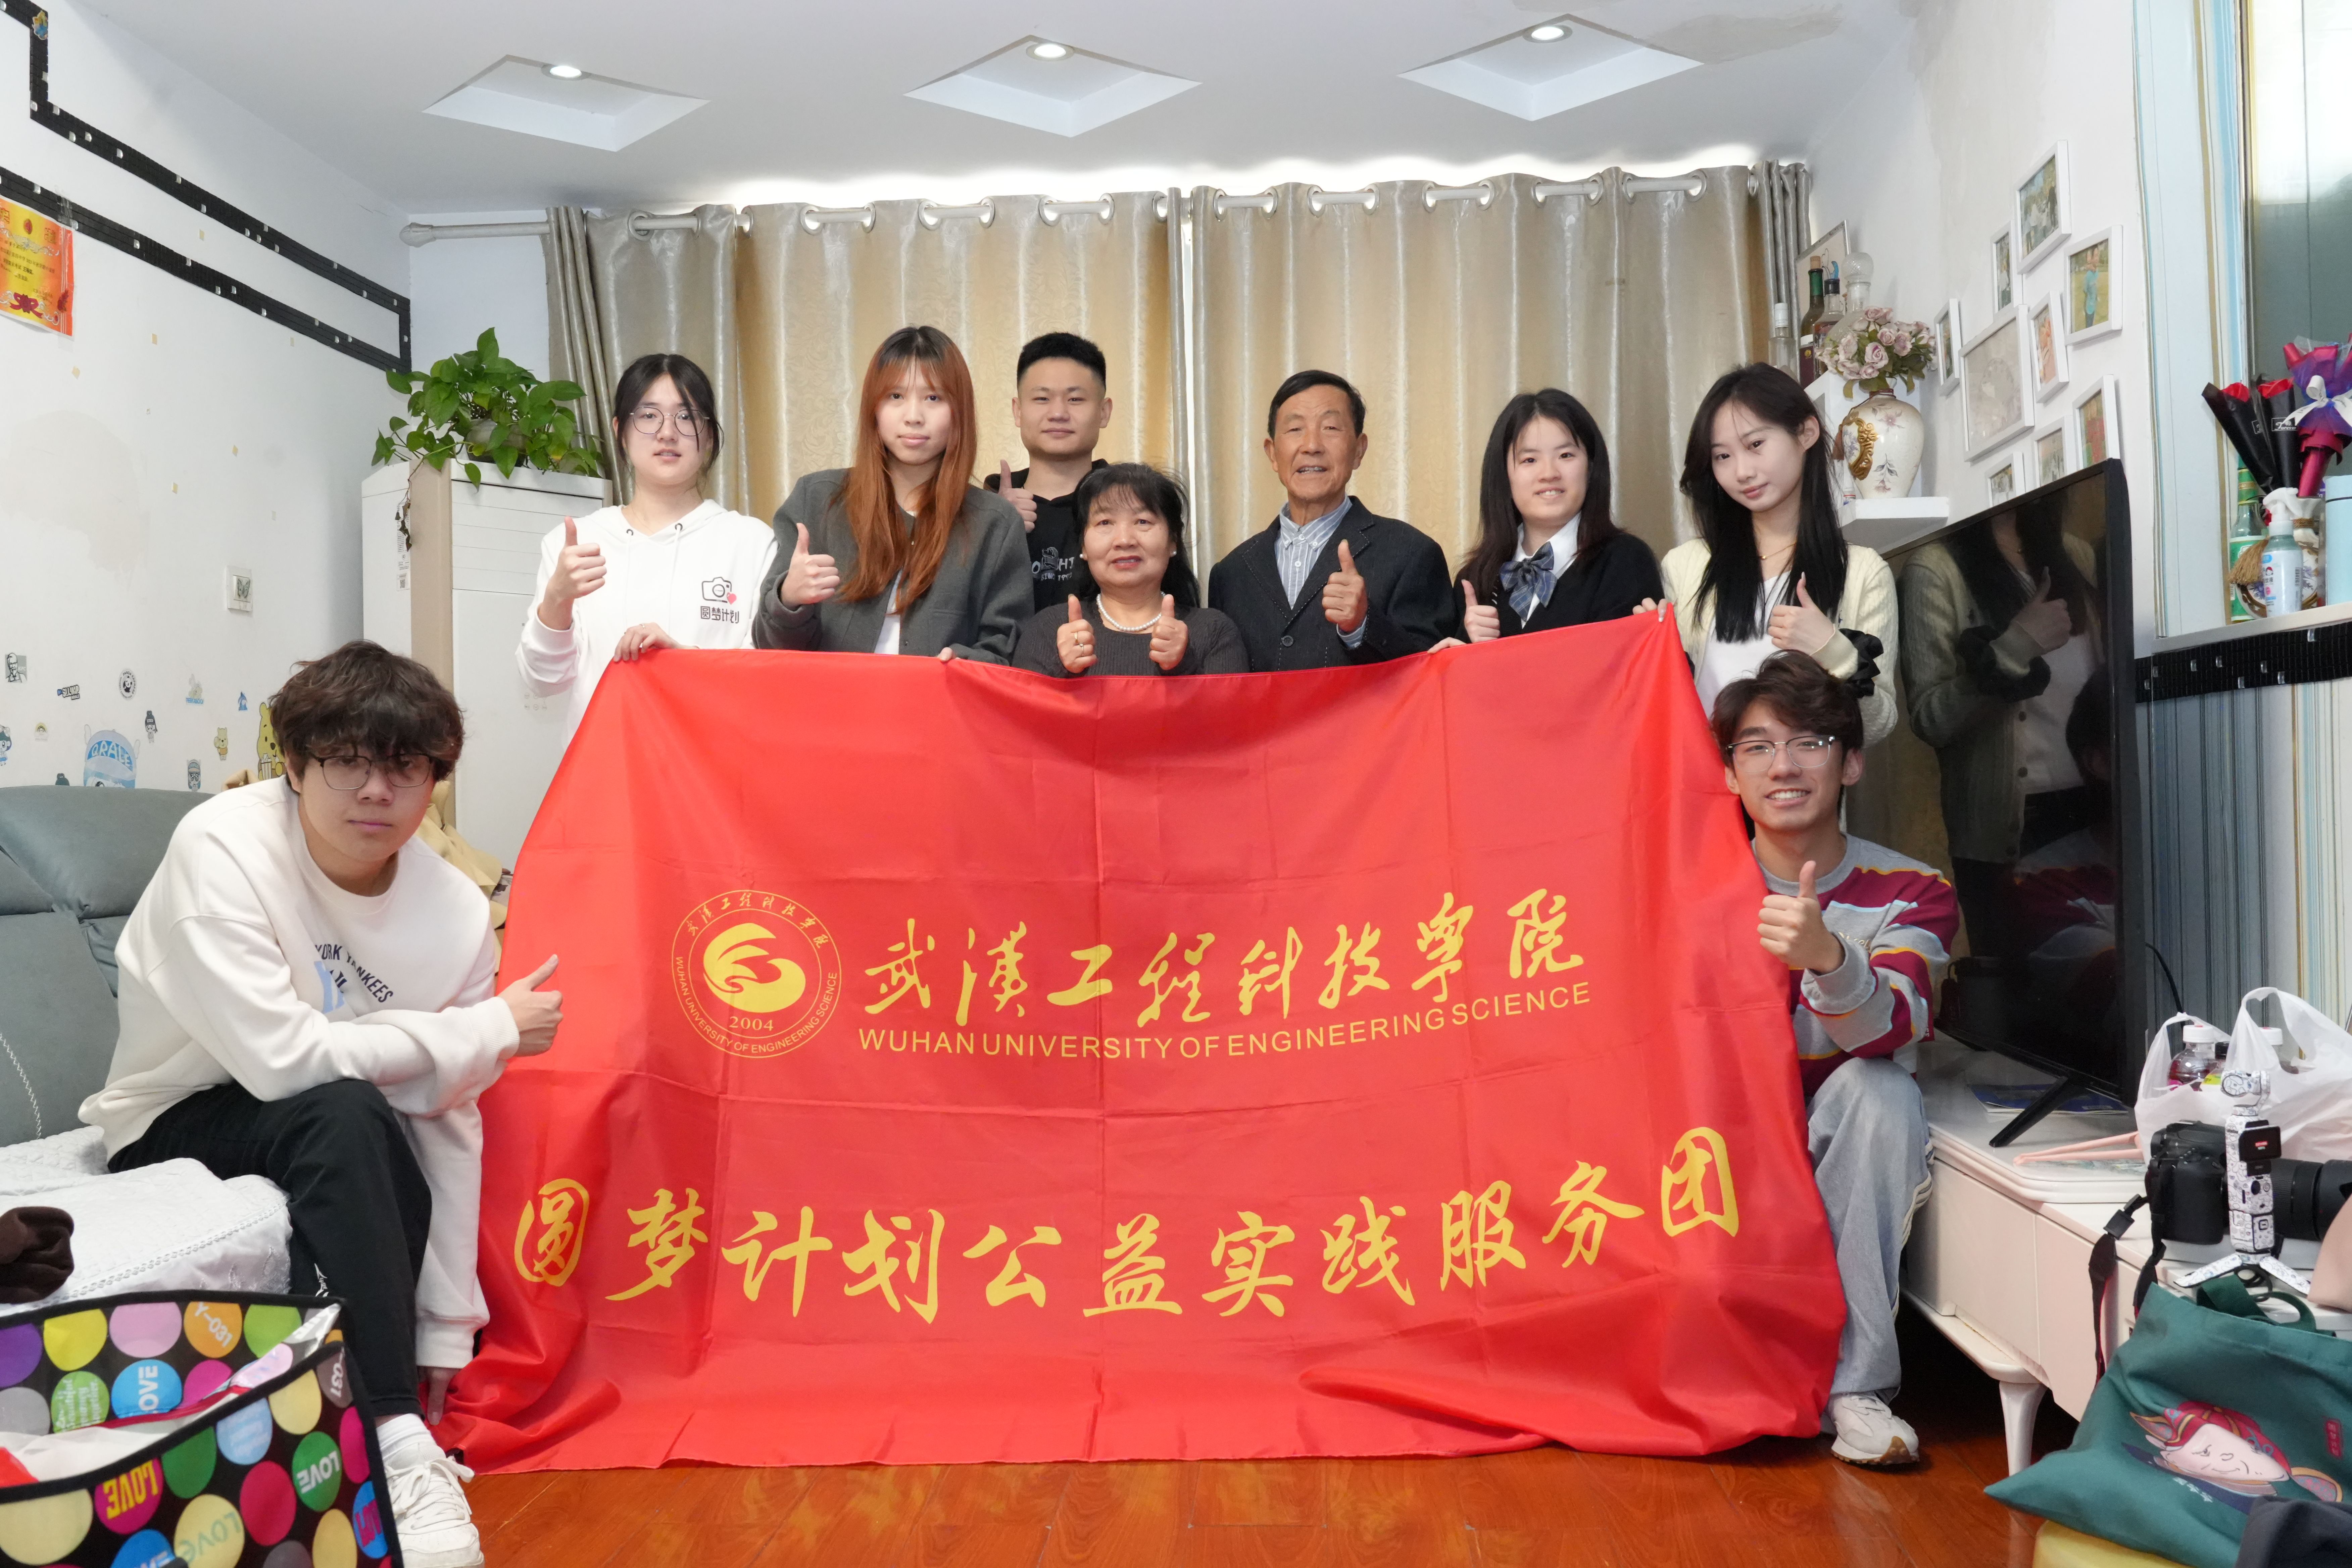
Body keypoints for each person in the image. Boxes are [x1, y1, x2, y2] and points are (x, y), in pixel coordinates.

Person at [81, 641, 564, 1568]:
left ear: (435, 782)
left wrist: (446, 1324)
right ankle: (394, 1443)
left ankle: (386, 1430)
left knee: (362, 1115)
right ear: (295, 767)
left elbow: (446, 1109)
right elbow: (283, 1063)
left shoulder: (457, 913)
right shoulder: (223, 847)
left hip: (340, 1119)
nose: (375, 790)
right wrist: (484, 1030)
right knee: (342, 1106)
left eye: (405, 766)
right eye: (345, 760)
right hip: (173, 1113)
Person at [1713, 652, 1957, 1468]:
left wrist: (1829, 956)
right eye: (1757, 746)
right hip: (1713, 1141)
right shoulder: (1688, 883)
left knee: (1881, 1090)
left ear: (1851, 762)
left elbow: (1892, 1027)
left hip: (1831, 1134)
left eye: (1809, 742)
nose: (1782, 766)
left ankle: (1855, 1387)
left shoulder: (1912, 888)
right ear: (1729, 773)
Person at [517, 352, 776, 747]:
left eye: (687, 416)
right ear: (620, 430)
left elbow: (765, 681)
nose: (667, 433)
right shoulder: (576, 544)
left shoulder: (751, 543)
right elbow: (542, 681)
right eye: (649, 415)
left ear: (709, 435)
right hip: (604, 767)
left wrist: (684, 659)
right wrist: (557, 599)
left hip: (713, 768)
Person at [1643, 363, 1899, 746]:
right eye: (1722, 456)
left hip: (1802, 780)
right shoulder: (1685, 566)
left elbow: (1878, 727)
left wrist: (1836, 653)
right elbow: (1659, 718)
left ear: (1806, 433)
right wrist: (1648, 653)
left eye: (1755, 445)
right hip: (1705, 780)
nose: (1742, 472)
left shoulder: (1863, 572)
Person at [754, 326, 1029, 661]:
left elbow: (1007, 647)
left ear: (959, 411)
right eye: (896, 396)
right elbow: (769, 647)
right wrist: (789, 599)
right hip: (835, 695)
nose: (913, 417)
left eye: (933, 398)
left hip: (939, 695)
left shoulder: (995, 523)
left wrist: (966, 666)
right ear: (874, 408)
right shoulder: (816, 499)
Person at [1897, 500, 2102, 946]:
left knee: (2100, 967)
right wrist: (2014, 648)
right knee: (2019, 978)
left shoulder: (2075, 553)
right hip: (2008, 824)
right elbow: (1931, 719)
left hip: (2099, 803)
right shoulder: (1937, 567)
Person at [1207, 370, 1452, 671]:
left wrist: (1363, 625)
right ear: (1272, 454)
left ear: (1359, 450)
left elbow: (1433, 675)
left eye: (1331, 428)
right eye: (1295, 429)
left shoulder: (1412, 554)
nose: (1312, 445)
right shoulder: (1230, 574)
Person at [1443, 388, 1662, 645]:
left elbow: (1626, 666)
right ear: (1504, 476)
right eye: (1530, 460)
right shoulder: (1475, 579)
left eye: (1565, 456)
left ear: (1591, 467)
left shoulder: (1625, 561)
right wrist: (1463, 654)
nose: (1549, 473)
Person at [1012, 463, 1247, 678]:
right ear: (1083, 546)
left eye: (1143, 522)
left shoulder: (1214, 632)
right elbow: (1023, 711)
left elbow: (1228, 712)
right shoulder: (1048, 630)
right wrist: (1064, 670)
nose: (1124, 540)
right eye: (1105, 523)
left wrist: (1184, 664)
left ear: (1173, 540)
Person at [984, 331, 1115, 611]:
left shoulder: (1133, 505)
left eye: (1075, 400)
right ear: (1018, 411)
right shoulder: (981, 509)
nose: (1058, 414)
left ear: (1104, 412)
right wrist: (994, 528)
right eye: (1042, 399)